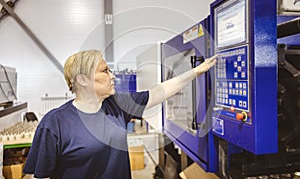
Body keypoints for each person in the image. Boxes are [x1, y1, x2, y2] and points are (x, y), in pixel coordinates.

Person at [23, 49, 217, 179]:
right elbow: (40, 175)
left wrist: (196, 72)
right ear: (82, 80)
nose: (113, 76)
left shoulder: (117, 105)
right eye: (105, 71)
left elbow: (159, 92)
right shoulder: (55, 123)